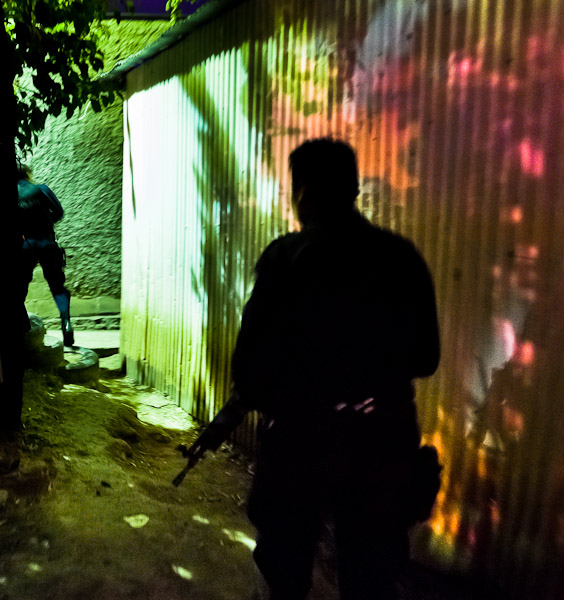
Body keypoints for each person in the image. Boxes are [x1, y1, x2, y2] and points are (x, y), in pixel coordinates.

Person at [181, 138, 440, 599]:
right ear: (353, 188)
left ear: (303, 192)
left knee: (285, 571)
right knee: (371, 576)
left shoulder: (286, 259)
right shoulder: (401, 258)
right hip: (381, 442)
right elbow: (426, 358)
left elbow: (250, 369)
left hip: (300, 445)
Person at [16, 162, 74, 346]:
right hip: (48, 243)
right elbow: (59, 212)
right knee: (57, 287)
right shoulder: (41, 190)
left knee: (20, 287)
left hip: (26, 246)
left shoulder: (10, 195)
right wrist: (47, 224)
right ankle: (66, 323)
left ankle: (22, 328)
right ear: (28, 174)